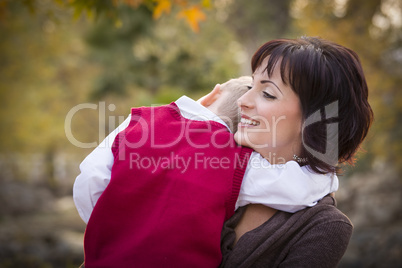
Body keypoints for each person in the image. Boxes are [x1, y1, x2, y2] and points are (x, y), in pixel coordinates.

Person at [74, 77, 338, 267]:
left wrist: (112, 225)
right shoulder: (235, 160)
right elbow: (295, 191)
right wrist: (328, 175)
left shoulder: (140, 120)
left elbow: (89, 178)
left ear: (212, 94)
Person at [219, 37, 374, 267]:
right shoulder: (216, 166)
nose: (243, 101)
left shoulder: (324, 227)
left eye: (268, 93)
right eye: (252, 86)